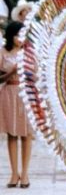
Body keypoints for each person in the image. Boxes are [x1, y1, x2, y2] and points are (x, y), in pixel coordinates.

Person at [0, 21, 33, 188]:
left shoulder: (29, 53)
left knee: (26, 134)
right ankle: (14, 173)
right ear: (10, 35)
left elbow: (37, 76)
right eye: (17, 35)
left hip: (26, 94)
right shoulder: (3, 52)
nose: (20, 39)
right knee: (12, 134)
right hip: (9, 93)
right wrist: (12, 72)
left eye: (22, 35)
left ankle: (25, 173)